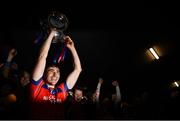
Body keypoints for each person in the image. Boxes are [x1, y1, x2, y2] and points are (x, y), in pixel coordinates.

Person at [29, 29, 82, 119]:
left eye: (57, 71)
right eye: (51, 70)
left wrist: (72, 48)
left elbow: (78, 69)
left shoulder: (62, 91)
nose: (55, 74)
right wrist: (51, 34)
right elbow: (42, 57)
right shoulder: (37, 86)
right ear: (44, 74)